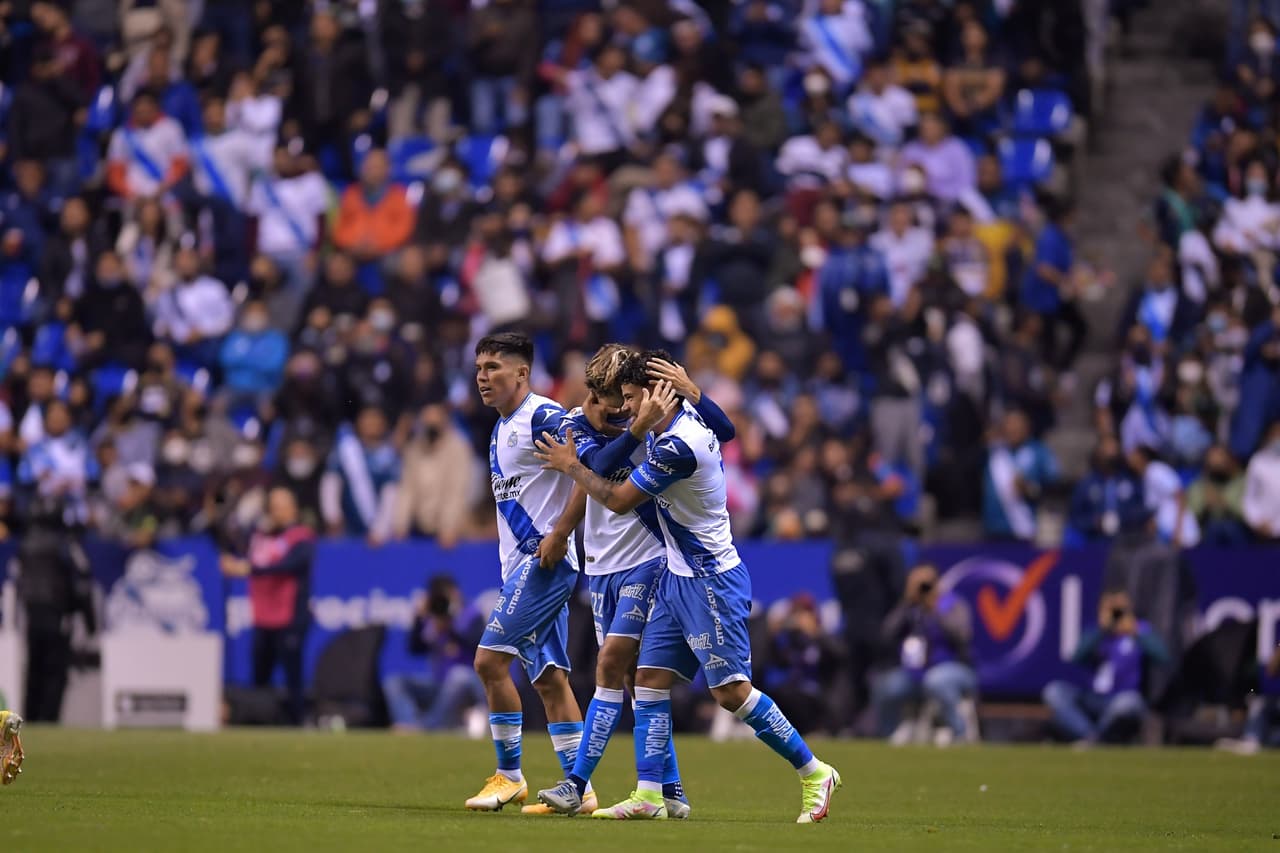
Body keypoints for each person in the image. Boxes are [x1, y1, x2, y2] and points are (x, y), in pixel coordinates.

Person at [534, 352, 841, 823]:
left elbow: (618, 499)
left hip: (710, 580)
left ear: (659, 396)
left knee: (732, 693)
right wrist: (692, 391)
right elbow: (724, 428)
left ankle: (814, 771)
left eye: (632, 398)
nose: (626, 409)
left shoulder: (679, 445)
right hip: (676, 575)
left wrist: (571, 466)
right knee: (649, 680)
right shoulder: (682, 420)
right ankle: (650, 795)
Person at [535, 346, 736, 818]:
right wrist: (563, 530)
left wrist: (690, 395)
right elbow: (598, 469)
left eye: (624, 399)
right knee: (634, 681)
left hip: (650, 557)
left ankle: (576, 784)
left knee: (611, 664)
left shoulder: (655, 421)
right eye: (610, 400)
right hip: (601, 564)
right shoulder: (578, 425)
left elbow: (722, 432)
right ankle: (670, 791)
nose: (619, 409)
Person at [463, 333, 588, 813]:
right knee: (550, 679)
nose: (482, 377)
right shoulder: (501, 427)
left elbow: (588, 467)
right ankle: (580, 789)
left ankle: (509, 776)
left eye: (493, 367)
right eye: (479, 368)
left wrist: (561, 533)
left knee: (489, 662)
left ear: (522, 373)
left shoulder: (543, 416)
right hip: (522, 565)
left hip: (543, 565)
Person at [219, 487, 315, 726]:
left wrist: (249, 569)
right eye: (273, 506)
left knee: (293, 675)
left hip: (290, 616)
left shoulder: (301, 537)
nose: (276, 511)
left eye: (281, 506)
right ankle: (257, 719)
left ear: (293, 508)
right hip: (263, 616)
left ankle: (298, 721)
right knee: (260, 675)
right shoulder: (260, 536)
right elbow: (235, 544)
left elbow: (288, 565)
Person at [1042, 590, 1169, 745]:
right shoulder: (1097, 632)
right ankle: (1091, 735)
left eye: (1120, 610)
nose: (1116, 615)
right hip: (1093, 697)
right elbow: (1077, 656)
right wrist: (1102, 630)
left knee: (1128, 702)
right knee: (1054, 691)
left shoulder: (1140, 630)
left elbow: (1163, 656)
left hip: (1123, 697)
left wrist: (1135, 631)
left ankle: (1096, 738)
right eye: (1111, 610)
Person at [873, 563, 977, 746]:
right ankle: (888, 735)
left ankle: (959, 732)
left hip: (955, 669)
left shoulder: (952, 603)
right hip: (916, 673)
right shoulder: (911, 608)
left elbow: (962, 635)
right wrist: (906, 602)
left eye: (927, 584)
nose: (923, 589)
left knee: (936, 681)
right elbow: (886, 633)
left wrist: (935, 608)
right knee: (886, 686)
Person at [14, 495, 95, 723]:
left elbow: (18, 579)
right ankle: (48, 718)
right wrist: (89, 620)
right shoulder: (65, 544)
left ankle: (30, 717)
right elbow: (81, 581)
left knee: (34, 667)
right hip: (57, 612)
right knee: (55, 669)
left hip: (31, 612)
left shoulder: (26, 543)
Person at [382, 574, 486, 732]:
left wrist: (450, 629)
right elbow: (415, 649)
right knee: (393, 682)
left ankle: (426, 727)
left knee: (458, 676)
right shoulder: (433, 618)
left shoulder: (472, 614)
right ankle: (408, 724)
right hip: (439, 684)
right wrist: (418, 618)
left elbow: (478, 647)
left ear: (455, 593)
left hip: (468, 683)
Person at [0, 709, 21, 784]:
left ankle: (9, 768)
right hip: (13, 717)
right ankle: (12, 765)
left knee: (5, 753)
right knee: (10, 750)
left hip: (7, 720)